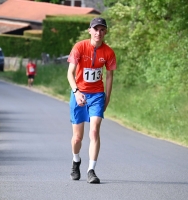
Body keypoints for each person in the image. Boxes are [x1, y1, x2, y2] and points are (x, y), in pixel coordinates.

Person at [67, 17, 117, 184]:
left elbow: (109, 76)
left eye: (102, 29)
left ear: (105, 32)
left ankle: (91, 170)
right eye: (96, 29)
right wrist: (76, 92)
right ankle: (76, 160)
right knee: (77, 138)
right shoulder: (79, 47)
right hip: (79, 94)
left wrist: (107, 97)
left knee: (94, 131)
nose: (98, 33)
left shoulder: (109, 52)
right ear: (90, 30)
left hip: (97, 95)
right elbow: (70, 73)